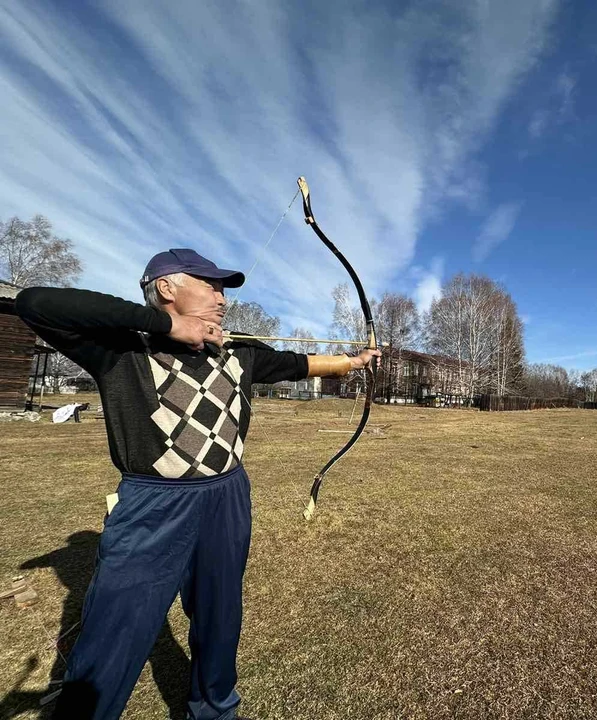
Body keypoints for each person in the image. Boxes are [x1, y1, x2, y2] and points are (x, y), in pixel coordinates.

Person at [15, 248, 379, 720]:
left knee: (219, 615)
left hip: (227, 495)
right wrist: (169, 328)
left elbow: (296, 364)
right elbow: (33, 302)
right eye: (210, 285)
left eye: (222, 289)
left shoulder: (236, 350)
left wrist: (353, 362)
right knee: (117, 625)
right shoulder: (120, 348)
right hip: (154, 503)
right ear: (166, 287)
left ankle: (213, 708)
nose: (221, 298)